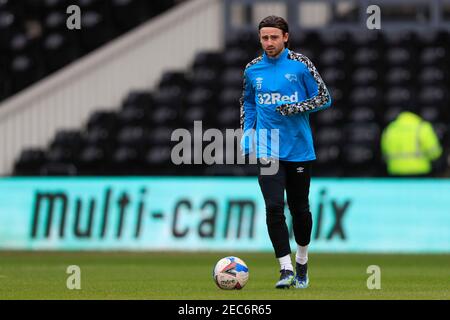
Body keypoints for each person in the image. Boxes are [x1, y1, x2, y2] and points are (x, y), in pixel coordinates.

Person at [239, 15, 332, 289]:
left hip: (299, 148)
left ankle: (302, 260)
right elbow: (248, 103)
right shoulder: (252, 70)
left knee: (300, 209)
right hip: (268, 147)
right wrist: (248, 132)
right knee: (273, 207)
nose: (269, 43)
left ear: (286, 37)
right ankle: (285, 268)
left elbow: (324, 98)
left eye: (274, 37)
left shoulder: (301, 65)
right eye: (264, 38)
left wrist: (296, 107)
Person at [381, 109, 443, 177]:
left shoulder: (390, 128)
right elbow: (434, 153)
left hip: (395, 170)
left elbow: (384, 151)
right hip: (420, 170)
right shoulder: (422, 127)